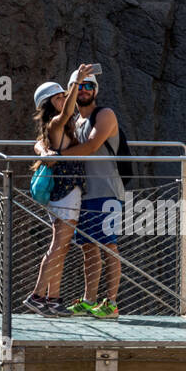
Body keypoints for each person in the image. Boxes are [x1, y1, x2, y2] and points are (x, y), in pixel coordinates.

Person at [22, 66, 93, 314]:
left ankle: (53, 299)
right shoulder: (56, 122)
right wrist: (76, 81)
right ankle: (36, 295)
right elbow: (67, 114)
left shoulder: (57, 126)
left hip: (65, 190)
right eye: (59, 97)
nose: (64, 99)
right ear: (50, 104)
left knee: (61, 247)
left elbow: (42, 142)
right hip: (65, 190)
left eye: (64, 95)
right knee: (58, 245)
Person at [55, 68, 124, 317]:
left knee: (109, 245)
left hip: (107, 191)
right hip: (84, 194)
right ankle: (89, 300)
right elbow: (52, 133)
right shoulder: (74, 121)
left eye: (88, 86)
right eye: (79, 87)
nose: (84, 91)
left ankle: (111, 303)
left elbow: (92, 146)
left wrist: (58, 156)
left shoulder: (104, 114)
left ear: (95, 90)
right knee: (88, 247)